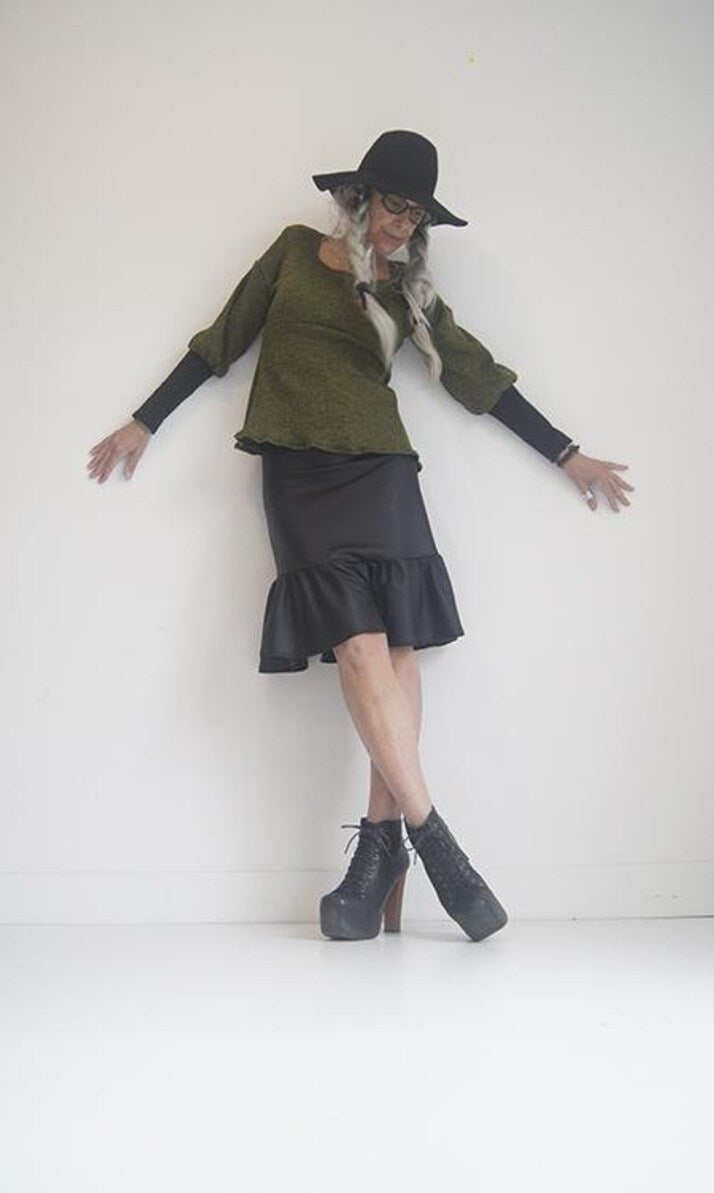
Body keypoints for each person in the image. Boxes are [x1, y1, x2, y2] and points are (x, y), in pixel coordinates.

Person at [87, 130, 634, 945]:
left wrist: (567, 453)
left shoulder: (407, 292)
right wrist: (144, 420)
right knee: (357, 645)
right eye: (394, 206)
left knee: (399, 647)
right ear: (360, 197)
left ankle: (379, 849)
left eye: (416, 215)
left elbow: (475, 372)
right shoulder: (293, 253)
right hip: (300, 476)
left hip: (382, 472)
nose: (403, 226)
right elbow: (222, 339)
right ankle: (437, 841)